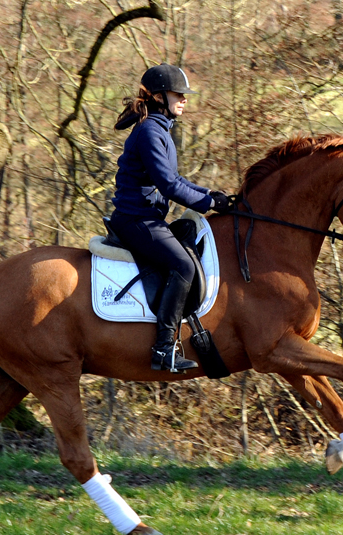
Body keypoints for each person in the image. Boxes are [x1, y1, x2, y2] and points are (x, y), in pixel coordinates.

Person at [109, 63, 231, 373]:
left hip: (146, 218)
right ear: (160, 96)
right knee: (184, 265)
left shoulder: (158, 127)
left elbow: (175, 178)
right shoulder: (150, 131)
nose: (185, 99)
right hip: (137, 221)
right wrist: (206, 202)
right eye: (179, 93)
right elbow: (168, 185)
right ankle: (164, 349)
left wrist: (212, 195)